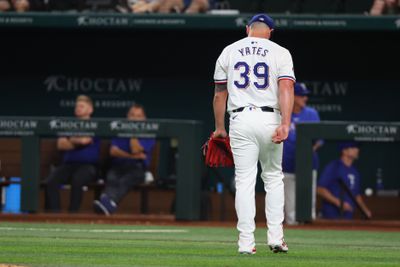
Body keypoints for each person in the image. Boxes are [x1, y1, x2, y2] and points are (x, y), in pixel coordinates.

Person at [212, 14, 295, 254]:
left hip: (240, 118)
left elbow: (220, 94)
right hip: (270, 117)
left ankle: (246, 243)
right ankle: (276, 238)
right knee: (272, 178)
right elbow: (286, 87)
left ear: (248, 29)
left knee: (245, 181)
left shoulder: (229, 50)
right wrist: (286, 123)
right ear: (270, 31)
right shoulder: (280, 51)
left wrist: (220, 127)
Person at [93, 104, 156, 215]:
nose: (135, 119)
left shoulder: (148, 133)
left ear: (144, 119)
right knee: (112, 178)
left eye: (138, 116)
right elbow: (113, 151)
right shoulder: (119, 130)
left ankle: (106, 201)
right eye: (132, 115)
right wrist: (132, 156)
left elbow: (135, 149)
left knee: (125, 180)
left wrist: (132, 133)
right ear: (127, 116)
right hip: (118, 165)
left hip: (137, 168)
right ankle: (108, 203)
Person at [45, 95, 101, 213]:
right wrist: (77, 140)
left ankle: (72, 214)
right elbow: (61, 145)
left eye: (82, 106)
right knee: (51, 181)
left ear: (90, 109)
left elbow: (85, 140)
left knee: (77, 180)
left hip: (88, 166)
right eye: (77, 106)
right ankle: (55, 215)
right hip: (68, 165)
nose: (78, 108)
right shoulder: (68, 124)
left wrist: (70, 139)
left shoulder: (96, 125)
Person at [282, 82, 323, 225]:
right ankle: (293, 235)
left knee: (309, 203)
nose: (305, 98)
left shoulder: (311, 114)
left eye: (305, 96)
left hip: (308, 164)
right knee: (290, 205)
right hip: (287, 164)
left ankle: (310, 234)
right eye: (301, 95)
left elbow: (319, 140)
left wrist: (306, 152)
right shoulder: (282, 113)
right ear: (292, 96)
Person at [317, 142, 372, 220]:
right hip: (331, 216)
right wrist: (338, 202)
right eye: (353, 148)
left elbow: (356, 195)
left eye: (357, 148)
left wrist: (364, 209)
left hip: (347, 217)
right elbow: (320, 189)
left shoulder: (355, 172)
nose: (357, 150)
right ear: (344, 151)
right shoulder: (334, 166)